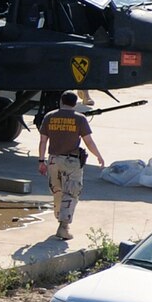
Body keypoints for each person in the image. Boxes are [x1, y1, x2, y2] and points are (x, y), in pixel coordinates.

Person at [36, 90, 105, 241]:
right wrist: (98, 155)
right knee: (71, 192)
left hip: (53, 160)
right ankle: (63, 226)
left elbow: (43, 141)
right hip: (72, 162)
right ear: (75, 104)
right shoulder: (79, 119)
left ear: (61, 101)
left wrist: (41, 161)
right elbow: (88, 141)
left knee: (57, 191)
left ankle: (59, 219)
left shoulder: (49, 116)